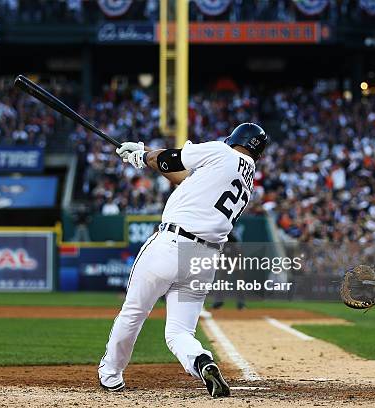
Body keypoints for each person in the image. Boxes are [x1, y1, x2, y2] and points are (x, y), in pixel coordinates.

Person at [97, 123, 269, 398]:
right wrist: (144, 156)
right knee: (179, 332)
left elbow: (168, 159)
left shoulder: (220, 152)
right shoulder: (248, 180)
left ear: (235, 138)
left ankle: (111, 375)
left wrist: (141, 155)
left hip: (170, 244)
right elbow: (183, 177)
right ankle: (202, 362)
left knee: (134, 312)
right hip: (203, 260)